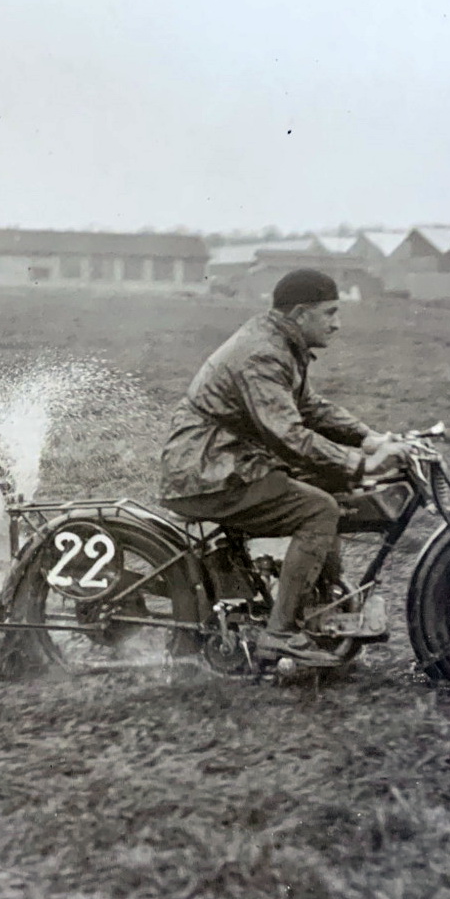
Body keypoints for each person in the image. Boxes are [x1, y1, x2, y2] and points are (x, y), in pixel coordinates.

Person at [159, 269, 406, 661]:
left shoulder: (279, 343)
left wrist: (367, 438)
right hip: (209, 473)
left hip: (229, 462)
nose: (337, 324)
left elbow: (308, 406)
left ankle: (318, 607)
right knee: (319, 509)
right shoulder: (263, 353)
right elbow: (289, 435)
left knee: (330, 489)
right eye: (330, 313)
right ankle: (280, 633)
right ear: (301, 313)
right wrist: (358, 465)